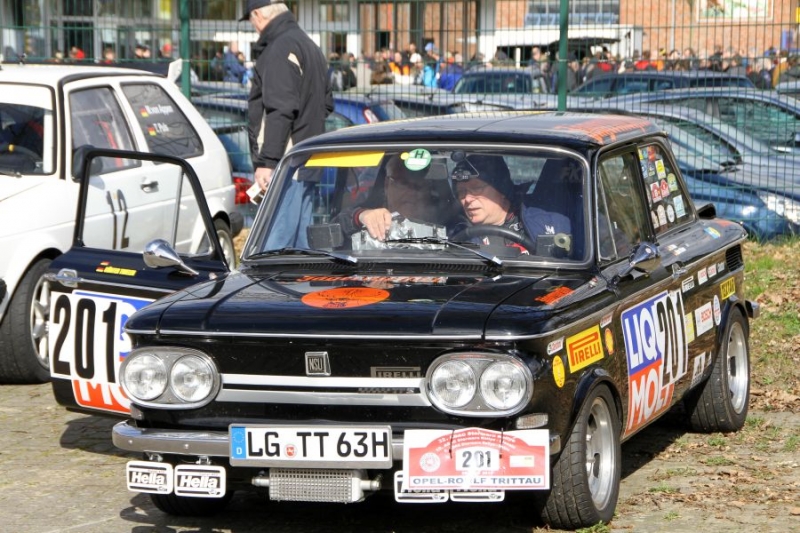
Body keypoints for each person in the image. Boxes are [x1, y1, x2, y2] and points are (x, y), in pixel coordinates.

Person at [241, 0, 334, 248]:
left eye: (250, 20)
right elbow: (326, 105)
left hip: (286, 166)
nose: (253, 26)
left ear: (257, 14)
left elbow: (280, 109)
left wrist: (268, 163)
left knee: (274, 248)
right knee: (300, 248)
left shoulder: (279, 49)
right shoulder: (309, 46)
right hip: (306, 161)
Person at [334, 155, 442, 240]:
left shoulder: (444, 223)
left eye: (418, 185)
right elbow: (334, 228)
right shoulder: (370, 217)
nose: (410, 192)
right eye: (403, 183)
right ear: (387, 185)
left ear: (428, 190)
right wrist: (360, 216)